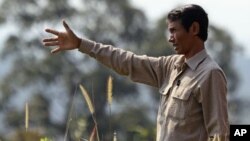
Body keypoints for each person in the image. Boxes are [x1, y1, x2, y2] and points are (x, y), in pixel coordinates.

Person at [43, 4, 229, 141]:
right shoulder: (170, 66)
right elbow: (127, 61)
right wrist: (81, 44)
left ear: (194, 29)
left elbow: (219, 134)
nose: (170, 38)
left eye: (174, 31)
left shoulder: (210, 74)